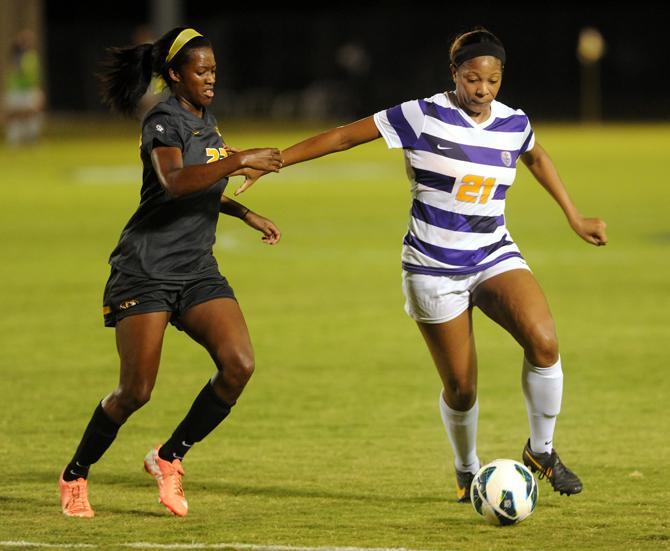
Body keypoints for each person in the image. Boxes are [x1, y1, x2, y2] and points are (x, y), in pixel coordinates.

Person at [236, 28, 608, 502]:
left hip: (493, 252)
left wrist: (573, 216)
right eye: (473, 79)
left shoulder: (514, 122)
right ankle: (467, 469)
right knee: (461, 387)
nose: (483, 90)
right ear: (454, 73)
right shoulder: (421, 114)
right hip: (432, 267)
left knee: (544, 339)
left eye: (492, 81)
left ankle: (542, 452)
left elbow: (535, 156)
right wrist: (275, 161)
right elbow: (346, 136)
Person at [58, 27, 283, 518]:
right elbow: (176, 181)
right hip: (146, 270)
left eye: (214, 71)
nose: (210, 79)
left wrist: (245, 215)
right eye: (200, 71)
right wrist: (242, 158)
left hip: (196, 269)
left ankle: (168, 457)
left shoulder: (206, 119)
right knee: (135, 391)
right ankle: (75, 474)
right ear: (175, 75)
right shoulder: (162, 119)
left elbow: (205, 183)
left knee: (239, 364)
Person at [4, 29, 45, 146]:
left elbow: (35, 76)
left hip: (29, 90)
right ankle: (14, 142)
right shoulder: (15, 56)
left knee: (33, 115)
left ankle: (32, 141)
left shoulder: (32, 56)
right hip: (16, 91)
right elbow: (15, 73)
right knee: (15, 117)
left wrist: (38, 90)